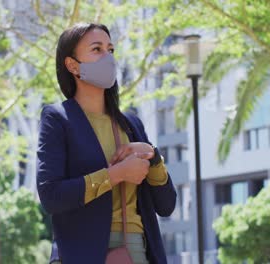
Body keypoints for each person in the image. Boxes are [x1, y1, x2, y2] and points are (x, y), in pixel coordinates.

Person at [36, 22, 176, 264]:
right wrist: (117, 174)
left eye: (110, 50)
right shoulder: (57, 118)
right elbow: (51, 195)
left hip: (135, 250)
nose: (108, 58)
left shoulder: (131, 124)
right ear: (72, 65)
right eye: (97, 49)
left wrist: (153, 157)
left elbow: (166, 205)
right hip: (81, 251)